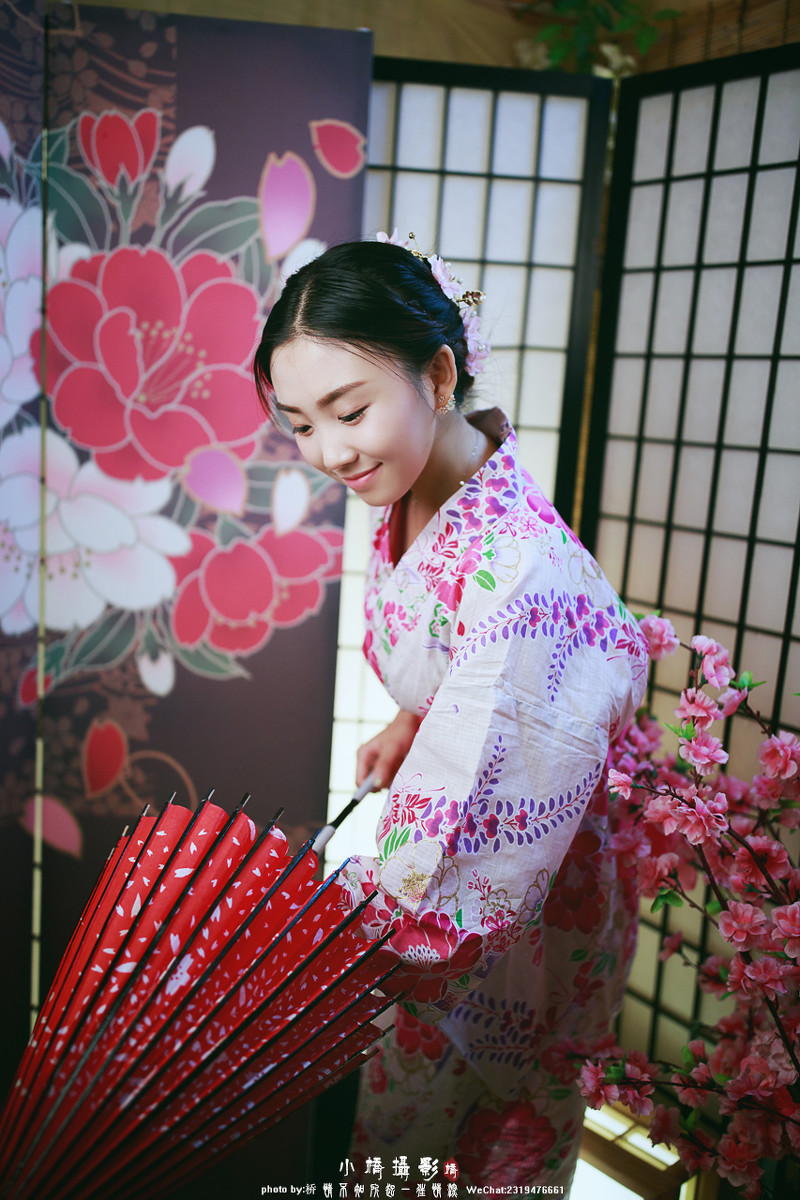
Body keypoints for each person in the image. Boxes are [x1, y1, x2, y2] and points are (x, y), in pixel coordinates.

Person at [253, 236, 649, 1194]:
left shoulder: (518, 568)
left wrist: (335, 929)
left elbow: (504, 747)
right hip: (481, 818)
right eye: (300, 423)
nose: (329, 452)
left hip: (527, 882)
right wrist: (415, 719)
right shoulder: (426, 486)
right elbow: (467, 683)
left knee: (481, 1141)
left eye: (350, 412)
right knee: (413, 1139)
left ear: (438, 375)